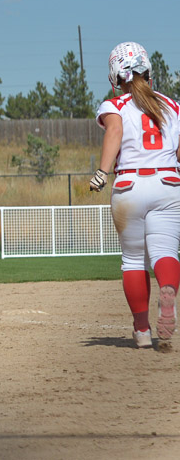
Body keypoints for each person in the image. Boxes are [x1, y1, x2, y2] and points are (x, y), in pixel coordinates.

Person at [90, 41, 180, 349]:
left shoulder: (114, 105)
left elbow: (115, 132)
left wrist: (102, 173)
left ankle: (142, 330)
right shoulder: (172, 105)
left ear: (116, 77)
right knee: (165, 251)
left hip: (130, 186)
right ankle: (168, 291)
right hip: (168, 183)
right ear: (148, 71)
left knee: (133, 260)